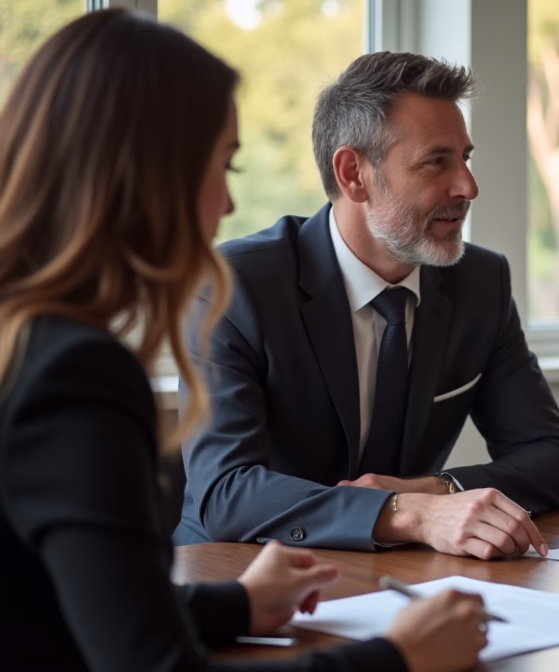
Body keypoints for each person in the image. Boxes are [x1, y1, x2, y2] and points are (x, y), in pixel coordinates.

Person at [0, 10, 484, 671]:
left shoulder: (25, 341)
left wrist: (238, 605)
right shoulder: (74, 373)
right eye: (223, 166)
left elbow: (59, 600)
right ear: (145, 174)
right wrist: (399, 656)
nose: (227, 207)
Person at [174, 51, 559, 557]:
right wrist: (404, 513)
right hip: (238, 574)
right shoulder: (234, 285)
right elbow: (226, 494)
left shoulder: (480, 281)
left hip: (401, 572)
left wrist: (437, 491)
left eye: (465, 158)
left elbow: (553, 460)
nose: (468, 187)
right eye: (437, 161)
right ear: (353, 174)